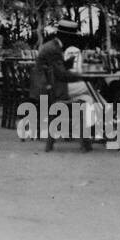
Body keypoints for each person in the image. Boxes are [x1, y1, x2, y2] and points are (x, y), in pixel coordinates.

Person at [34, 19, 91, 152]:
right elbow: (62, 76)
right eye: (72, 37)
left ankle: (89, 137)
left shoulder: (52, 46)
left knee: (87, 97)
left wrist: (66, 65)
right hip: (53, 90)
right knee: (89, 87)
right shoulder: (54, 49)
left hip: (48, 87)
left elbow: (56, 70)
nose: (73, 41)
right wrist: (83, 76)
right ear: (66, 37)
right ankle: (102, 123)